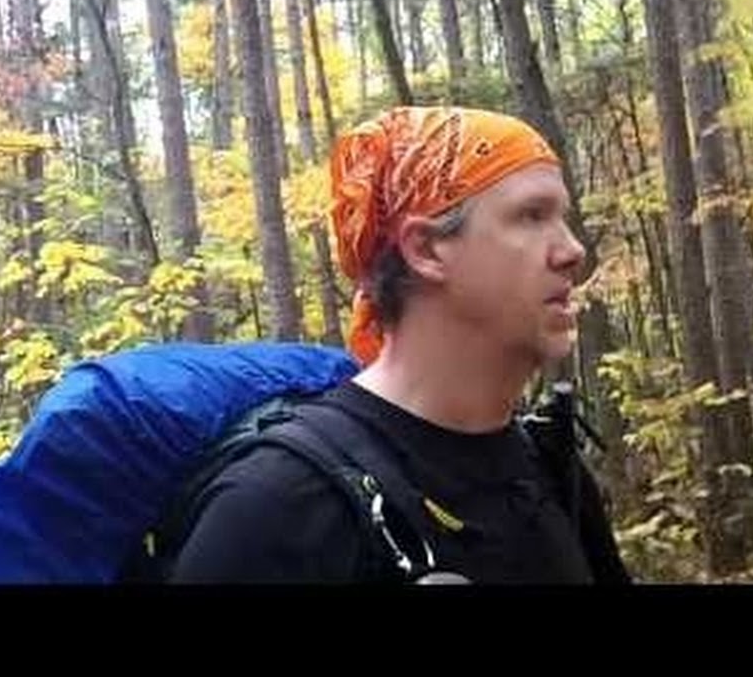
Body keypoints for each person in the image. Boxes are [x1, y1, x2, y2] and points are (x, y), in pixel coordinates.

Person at [170, 105, 631, 584]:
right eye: (531, 216)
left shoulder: (548, 467)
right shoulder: (277, 507)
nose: (573, 250)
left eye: (561, 217)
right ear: (426, 249)